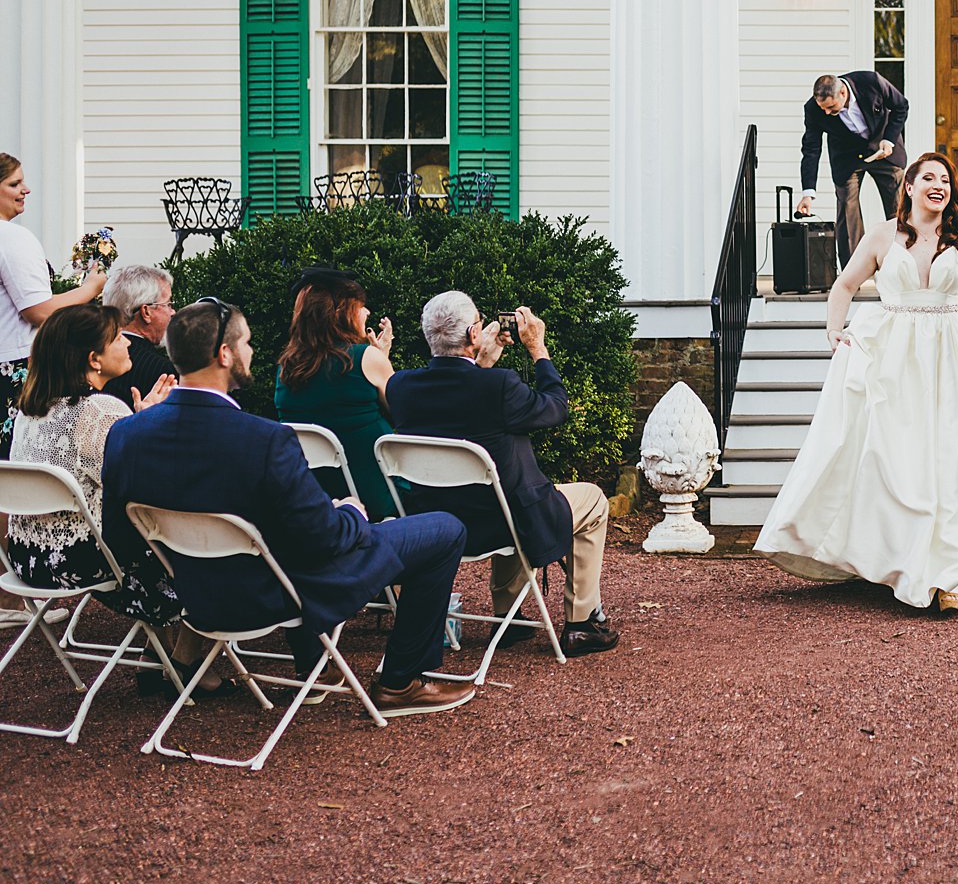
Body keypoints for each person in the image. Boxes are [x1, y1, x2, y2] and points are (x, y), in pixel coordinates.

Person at [101, 299, 474, 716]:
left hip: (192, 595)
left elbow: (119, 536)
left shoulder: (126, 434)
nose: (252, 352)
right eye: (246, 343)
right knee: (444, 528)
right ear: (224, 354)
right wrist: (351, 511)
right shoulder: (264, 439)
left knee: (290, 540)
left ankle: (316, 667)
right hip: (274, 593)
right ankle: (401, 682)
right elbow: (325, 540)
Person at [756, 152, 958, 612]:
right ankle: (903, 559)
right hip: (895, 358)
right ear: (910, 186)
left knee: (953, 460)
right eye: (928, 177)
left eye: (944, 179)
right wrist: (834, 330)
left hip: (952, 357)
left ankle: (951, 574)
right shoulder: (883, 235)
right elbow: (844, 285)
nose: (937, 185)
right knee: (898, 458)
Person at [386, 293, 618, 657]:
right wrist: (538, 349)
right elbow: (555, 408)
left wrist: (482, 364)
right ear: (473, 333)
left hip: (441, 523)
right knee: (592, 500)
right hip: (506, 521)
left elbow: (459, 399)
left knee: (502, 491)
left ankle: (509, 617)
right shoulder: (499, 385)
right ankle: (582, 621)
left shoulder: (400, 387)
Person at [3, 304, 208, 693]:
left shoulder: (29, 412)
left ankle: (158, 658)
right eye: (116, 338)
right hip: (89, 562)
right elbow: (148, 487)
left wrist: (137, 423)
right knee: (207, 548)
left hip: (28, 561)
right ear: (93, 359)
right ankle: (186, 662)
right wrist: (147, 426)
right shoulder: (98, 411)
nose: (125, 344)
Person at [0, 153, 107, 457]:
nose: (26, 189)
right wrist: (90, 287)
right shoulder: (11, 238)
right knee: (14, 468)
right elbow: (39, 311)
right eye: (14, 183)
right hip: (12, 367)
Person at [274, 269, 400, 520]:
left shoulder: (286, 368)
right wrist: (380, 359)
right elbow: (404, 416)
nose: (367, 312)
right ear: (342, 312)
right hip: (377, 499)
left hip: (316, 500)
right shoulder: (366, 357)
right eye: (360, 306)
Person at [798, 71, 911, 268]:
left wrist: (890, 139)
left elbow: (901, 106)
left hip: (883, 150)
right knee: (847, 211)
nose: (826, 113)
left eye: (831, 107)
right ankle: (854, 272)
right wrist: (808, 193)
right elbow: (811, 148)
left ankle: (906, 264)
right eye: (822, 108)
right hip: (847, 158)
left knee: (899, 209)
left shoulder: (871, 82)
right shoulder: (813, 109)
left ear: (843, 92)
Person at [97, 265, 178, 404]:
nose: (173, 312)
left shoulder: (87, 356)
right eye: (168, 304)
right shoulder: (162, 371)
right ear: (146, 312)